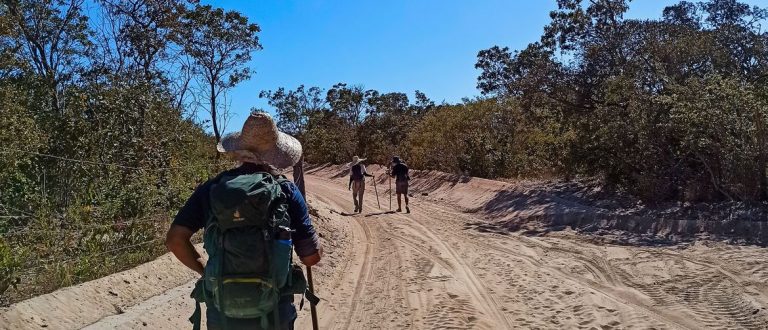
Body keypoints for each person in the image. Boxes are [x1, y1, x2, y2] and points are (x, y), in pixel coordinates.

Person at [165, 112, 322, 330]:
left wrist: (207, 272)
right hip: (275, 313)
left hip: (222, 314)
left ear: (238, 151)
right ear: (276, 154)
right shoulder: (285, 190)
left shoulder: (212, 189)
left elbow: (174, 240)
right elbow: (311, 258)